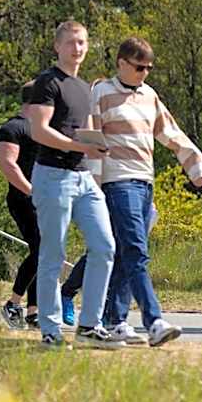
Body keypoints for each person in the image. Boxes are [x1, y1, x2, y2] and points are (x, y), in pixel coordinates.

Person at [91, 37, 202, 347]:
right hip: (118, 182)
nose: (145, 73)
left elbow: (170, 132)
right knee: (137, 252)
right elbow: (91, 141)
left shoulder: (149, 95)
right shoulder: (101, 93)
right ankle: (154, 321)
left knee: (124, 256)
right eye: (139, 67)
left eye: (149, 68)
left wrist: (196, 167)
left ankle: (112, 322)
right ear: (122, 64)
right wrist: (94, 187)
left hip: (145, 182)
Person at [27, 21, 120, 350]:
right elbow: (39, 131)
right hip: (53, 176)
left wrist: (99, 151)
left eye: (82, 42)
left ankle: (89, 325)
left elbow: (89, 133)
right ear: (57, 46)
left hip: (83, 178)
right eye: (70, 43)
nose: (77, 48)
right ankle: (50, 329)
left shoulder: (83, 87)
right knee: (53, 253)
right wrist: (83, 148)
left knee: (105, 246)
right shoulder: (47, 83)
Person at [0, 82, 40, 329]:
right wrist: (32, 192)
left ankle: (33, 311)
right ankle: (13, 304)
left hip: (43, 201)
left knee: (42, 253)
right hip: (23, 200)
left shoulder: (41, 129)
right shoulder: (12, 128)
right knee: (42, 250)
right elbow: (9, 165)